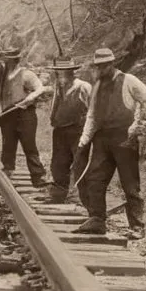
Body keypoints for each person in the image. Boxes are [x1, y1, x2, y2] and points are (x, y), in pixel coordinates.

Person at [75, 48, 146, 237]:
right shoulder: (97, 85)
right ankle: (97, 219)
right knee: (95, 179)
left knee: (130, 183)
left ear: (112, 64)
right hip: (102, 139)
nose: (102, 69)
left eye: (105, 65)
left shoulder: (128, 80)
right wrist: (83, 141)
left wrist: (141, 124)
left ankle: (137, 226)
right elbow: (92, 116)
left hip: (124, 139)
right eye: (99, 66)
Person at [45, 57, 91, 204]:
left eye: (62, 72)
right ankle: (58, 195)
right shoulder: (59, 88)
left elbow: (93, 110)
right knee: (58, 164)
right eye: (57, 72)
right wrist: (53, 120)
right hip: (60, 130)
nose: (59, 75)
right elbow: (54, 107)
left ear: (71, 72)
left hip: (78, 130)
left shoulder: (83, 87)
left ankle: (82, 198)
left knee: (79, 163)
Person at [0, 49, 47, 185]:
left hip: (25, 115)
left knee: (29, 145)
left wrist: (28, 99)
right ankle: (7, 172)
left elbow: (40, 88)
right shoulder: (5, 76)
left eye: (7, 59)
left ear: (13, 60)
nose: (4, 62)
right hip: (8, 115)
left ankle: (38, 176)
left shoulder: (26, 74)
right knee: (8, 145)